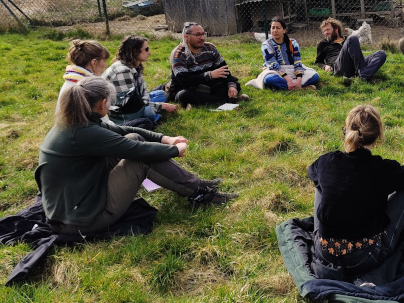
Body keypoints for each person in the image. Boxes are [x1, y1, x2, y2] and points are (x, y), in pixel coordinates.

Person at [36, 77, 236, 236]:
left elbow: (124, 131)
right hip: (81, 220)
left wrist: (165, 138)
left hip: (74, 206)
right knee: (140, 159)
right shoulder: (84, 132)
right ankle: (201, 193)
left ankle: (196, 185)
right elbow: (137, 150)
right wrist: (176, 150)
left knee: (135, 137)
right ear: (102, 103)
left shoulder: (76, 122)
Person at [308, 104, 404, 275]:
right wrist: (399, 174)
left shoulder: (326, 161)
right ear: (377, 135)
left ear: (346, 131)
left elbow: (311, 171)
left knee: (320, 182)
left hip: (325, 253)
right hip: (364, 257)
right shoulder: (383, 169)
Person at [103, 35, 178, 128]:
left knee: (161, 94)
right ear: (135, 52)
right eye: (146, 49)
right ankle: (150, 117)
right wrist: (161, 106)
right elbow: (131, 104)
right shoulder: (123, 71)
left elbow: (144, 92)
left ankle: (151, 113)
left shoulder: (135, 66)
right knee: (149, 112)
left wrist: (147, 103)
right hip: (120, 110)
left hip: (135, 101)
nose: (149, 52)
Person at [168, 22, 248, 107]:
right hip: (188, 88)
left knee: (234, 84)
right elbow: (184, 81)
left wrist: (231, 86)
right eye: (198, 35)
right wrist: (209, 75)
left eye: (203, 34)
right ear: (186, 36)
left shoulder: (210, 48)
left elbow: (224, 70)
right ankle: (226, 100)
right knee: (184, 95)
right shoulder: (179, 54)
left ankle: (198, 103)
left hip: (208, 86)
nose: (202, 38)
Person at [314, 18, 387, 85]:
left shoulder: (347, 39)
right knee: (353, 38)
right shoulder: (323, 44)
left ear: (336, 29)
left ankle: (363, 75)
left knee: (381, 54)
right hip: (339, 66)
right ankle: (363, 73)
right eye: (324, 31)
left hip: (355, 63)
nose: (326, 32)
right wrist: (324, 66)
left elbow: (356, 53)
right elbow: (318, 62)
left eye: (328, 29)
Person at [261, 17, 320, 91]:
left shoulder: (293, 43)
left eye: (278, 28)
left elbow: (297, 61)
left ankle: (292, 86)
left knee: (315, 76)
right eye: (273, 28)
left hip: (292, 69)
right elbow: (273, 65)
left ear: (284, 30)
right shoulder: (266, 45)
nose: (275, 30)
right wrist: (288, 80)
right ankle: (300, 87)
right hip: (275, 71)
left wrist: (299, 79)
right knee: (269, 79)